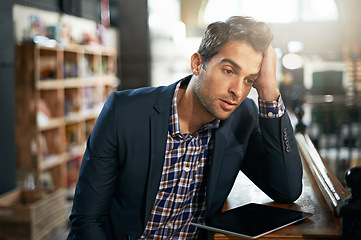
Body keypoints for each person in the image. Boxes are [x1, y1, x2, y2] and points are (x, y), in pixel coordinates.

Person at [67, 16, 303, 240]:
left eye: (249, 80)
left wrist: (269, 89)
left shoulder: (243, 117)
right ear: (197, 63)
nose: (238, 91)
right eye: (229, 71)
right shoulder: (124, 112)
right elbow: (87, 219)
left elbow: (287, 189)